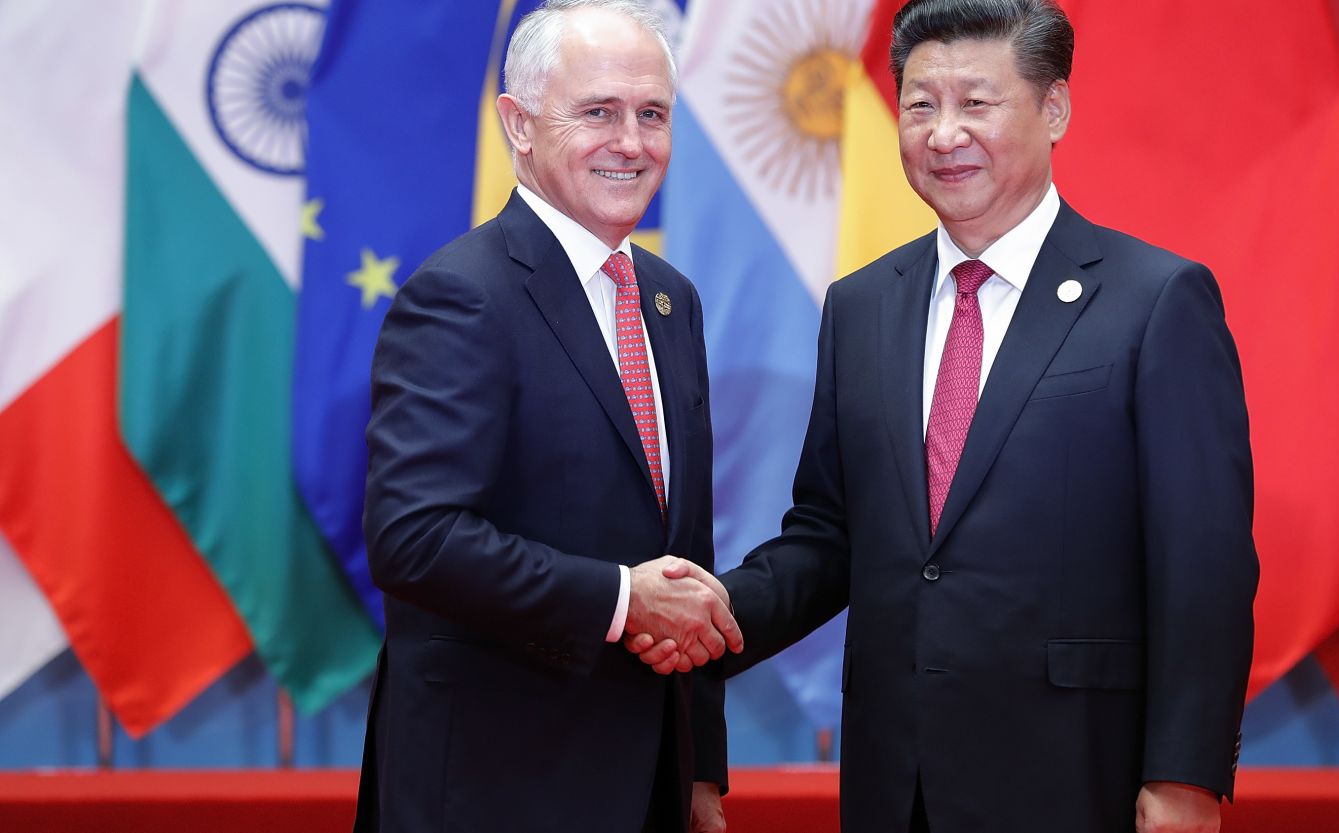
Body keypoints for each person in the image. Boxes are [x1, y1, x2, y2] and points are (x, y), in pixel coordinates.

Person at [633, 1, 1258, 831]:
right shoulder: (861, 307)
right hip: (898, 784)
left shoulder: (1155, 301)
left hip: (1079, 776)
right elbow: (830, 536)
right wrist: (706, 614)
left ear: (1055, 108)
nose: (943, 133)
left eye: (977, 102)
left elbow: (1204, 563)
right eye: (920, 105)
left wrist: (1185, 775)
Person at [355, 2, 740, 831]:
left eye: (652, 116)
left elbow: (686, 554)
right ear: (518, 124)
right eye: (599, 111)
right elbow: (413, 536)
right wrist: (618, 599)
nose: (631, 143)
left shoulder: (671, 300)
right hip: (498, 786)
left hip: (650, 782)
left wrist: (701, 768)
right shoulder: (462, 294)